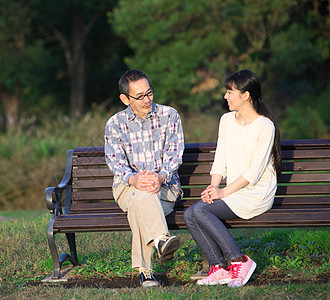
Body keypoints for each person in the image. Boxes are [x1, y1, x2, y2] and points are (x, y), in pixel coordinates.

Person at [184, 69, 282, 288]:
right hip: (234, 191)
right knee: (190, 214)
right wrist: (213, 187)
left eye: (230, 92)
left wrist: (223, 193)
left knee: (200, 210)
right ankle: (219, 269)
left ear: (246, 95)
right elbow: (221, 157)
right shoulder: (227, 120)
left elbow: (254, 173)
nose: (225, 96)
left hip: (256, 193)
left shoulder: (265, 126)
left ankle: (238, 260)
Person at [104, 70, 185, 288]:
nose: (147, 99)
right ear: (125, 99)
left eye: (149, 93)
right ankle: (160, 240)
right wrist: (133, 179)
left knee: (141, 200)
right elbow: (115, 161)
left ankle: (146, 273)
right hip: (127, 187)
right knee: (141, 192)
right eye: (139, 96)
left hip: (166, 187)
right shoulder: (115, 124)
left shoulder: (170, 115)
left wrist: (160, 176)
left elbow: (175, 153)